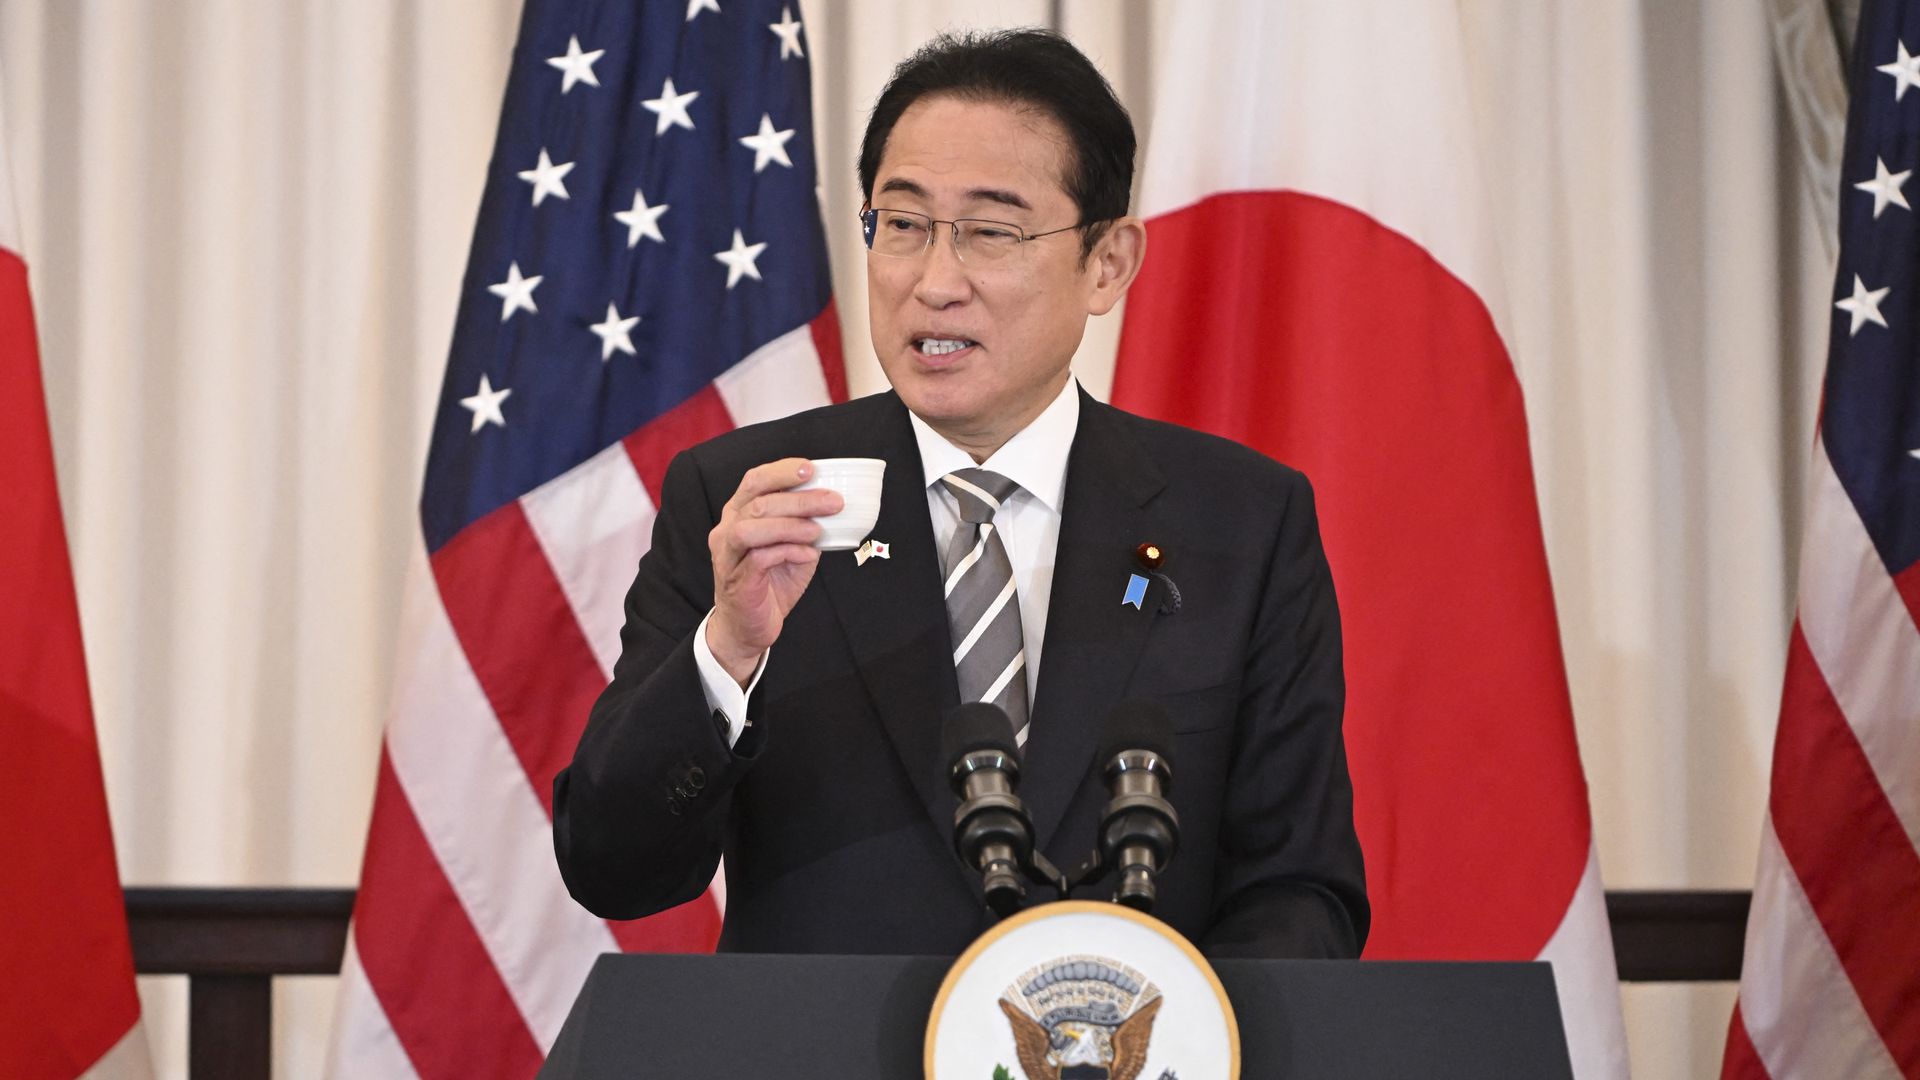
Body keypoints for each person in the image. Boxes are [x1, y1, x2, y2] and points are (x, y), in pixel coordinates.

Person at [552, 28, 1368, 959]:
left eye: (991, 231)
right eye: (903, 224)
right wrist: (728, 654)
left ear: (1107, 263)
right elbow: (612, 869)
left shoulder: (1243, 522)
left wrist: (1171, 1030)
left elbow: (1299, 890)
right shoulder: (748, 504)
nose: (935, 283)